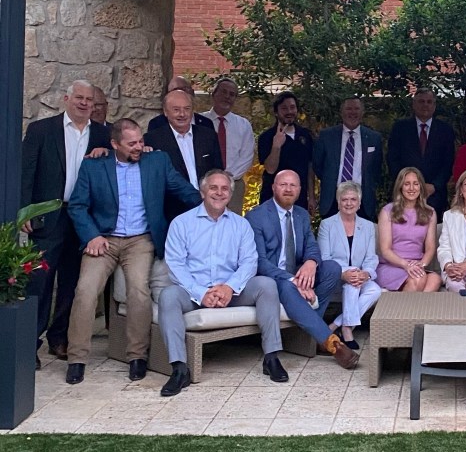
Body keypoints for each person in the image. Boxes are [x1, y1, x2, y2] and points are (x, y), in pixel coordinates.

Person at [64, 118, 199, 385]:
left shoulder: (157, 161)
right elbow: (77, 206)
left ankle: (137, 356)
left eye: (140, 141)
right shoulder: (94, 166)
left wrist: (212, 206)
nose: (139, 147)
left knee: (138, 290)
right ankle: (76, 359)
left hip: (141, 240)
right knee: (85, 290)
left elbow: (186, 192)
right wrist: (91, 235)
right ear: (115, 144)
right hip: (104, 239)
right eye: (132, 143)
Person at [159, 171, 284, 396]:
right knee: (168, 296)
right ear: (202, 192)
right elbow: (176, 265)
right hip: (194, 293)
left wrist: (229, 287)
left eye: (224, 188)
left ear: (230, 194)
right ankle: (179, 369)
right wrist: (201, 293)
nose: (219, 193)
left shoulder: (241, 225)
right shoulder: (181, 223)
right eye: (213, 188)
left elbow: (249, 262)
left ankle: (271, 357)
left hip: (231, 292)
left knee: (266, 285)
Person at [22, 80, 111, 365]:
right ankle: (28, 345)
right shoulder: (41, 130)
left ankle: (59, 339)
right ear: (66, 99)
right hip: (48, 215)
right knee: (39, 282)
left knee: (72, 282)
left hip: (82, 217)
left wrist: (107, 153)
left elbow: (118, 166)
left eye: (89, 100)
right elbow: (26, 171)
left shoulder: (103, 134)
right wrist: (25, 210)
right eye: (79, 98)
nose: (84, 103)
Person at [245, 170, 356, 369]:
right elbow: (259, 262)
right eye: (283, 185)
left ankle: (309, 332)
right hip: (272, 279)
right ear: (273, 187)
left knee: (332, 268)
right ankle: (332, 343)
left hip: (296, 273)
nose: (288, 189)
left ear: (299, 190)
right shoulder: (256, 217)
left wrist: (311, 263)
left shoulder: (301, 215)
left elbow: (311, 247)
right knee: (288, 288)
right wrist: (294, 281)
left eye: (293, 185)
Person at [318, 181, 382, 350]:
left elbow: (371, 257)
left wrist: (367, 273)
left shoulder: (368, 226)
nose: (348, 203)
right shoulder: (327, 225)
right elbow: (325, 258)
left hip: (359, 275)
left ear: (359, 203)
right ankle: (347, 331)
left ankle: (337, 324)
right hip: (334, 276)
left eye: (353, 199)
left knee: (375, 290)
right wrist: (344, 273)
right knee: (353, 283)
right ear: (338, 202)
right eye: (344, 199)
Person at [144, 88, 223, 220]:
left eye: (187, 109)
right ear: (165, 112)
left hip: (207, 207)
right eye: (176, 109)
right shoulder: (153, 139)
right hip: (171, 211)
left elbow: (218, 170)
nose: (182, 114)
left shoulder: (208, 136)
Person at [386, 87, 456, 220]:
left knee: (432, 230)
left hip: (434, 195)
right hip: (404, 193)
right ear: (414, 104)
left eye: (429, 102)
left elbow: (448, 162)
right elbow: (392, 159)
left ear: (434, 105)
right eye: (421, 101)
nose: (425, 105)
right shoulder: (400, 128)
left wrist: (434, 186)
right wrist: (406, 184)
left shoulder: (445, 130)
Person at [313, 96, 383, 220]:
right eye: (349, 109)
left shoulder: (374, 138)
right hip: (333, 201)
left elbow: (376, 168)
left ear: (362, 112)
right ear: (341, 112)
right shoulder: (326, 136)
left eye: (356, 109)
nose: (353, 112)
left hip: (363, 202)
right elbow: (318, 166)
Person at [376, 168, 442, 293]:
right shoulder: (387, 211)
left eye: (415, 184)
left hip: (416, 265)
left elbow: (430, 248)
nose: (411, 188)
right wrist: (405, 265)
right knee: (418, 279)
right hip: (392, 265)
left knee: (435, 279)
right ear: (400, 187)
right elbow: (385, 250)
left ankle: (405, 305)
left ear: (421, 187)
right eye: (407, 184)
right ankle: (406, 305)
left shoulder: (430, 212)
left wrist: (421, 265)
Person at [201, 77, 255, 214]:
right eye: (224, 92)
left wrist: (227, 177)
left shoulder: (243, 125)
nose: (227, 97)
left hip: (234, 184)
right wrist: (211, 179)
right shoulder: (199, 121)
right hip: (204, 184)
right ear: (214, 93)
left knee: (231, 222)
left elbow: (247, 156)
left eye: (232, 94)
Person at [257, 91, 315, 212]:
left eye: (292, 107)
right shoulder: (267, 137)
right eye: (284, 108)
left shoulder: (305, 135)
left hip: (299, 199)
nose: (289, 112)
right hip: (272, 199)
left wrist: (311, 197)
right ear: (276, 112)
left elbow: (310, 168)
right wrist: (276, 146)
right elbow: (270, 169)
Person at [146, 76, 215, 131]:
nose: (181, 94)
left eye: (184, 89)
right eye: (176, 90)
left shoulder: (206, 123)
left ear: (192, 92)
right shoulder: (157, 124)